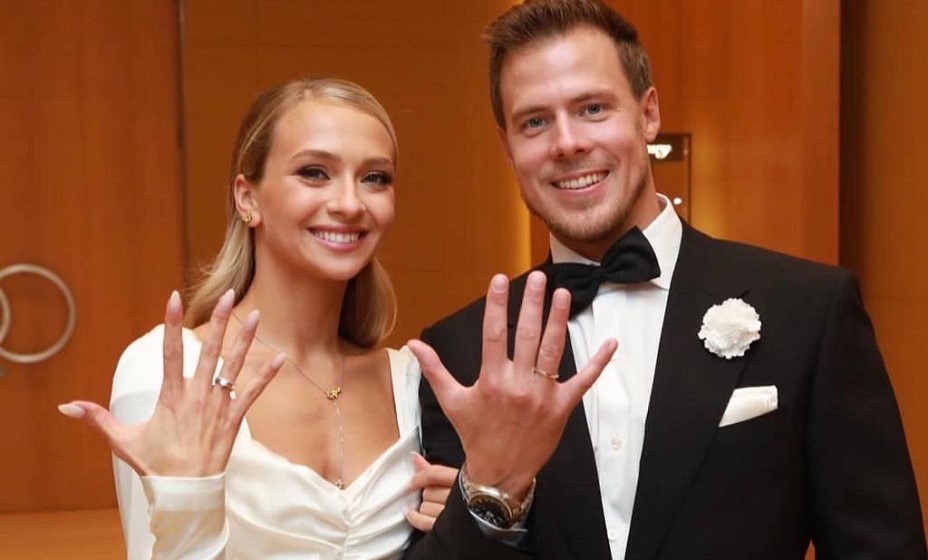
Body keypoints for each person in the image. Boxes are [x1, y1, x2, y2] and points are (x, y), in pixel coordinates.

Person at [405, 1, 927, 558]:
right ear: (508, 148)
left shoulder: (807, 312)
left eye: (592, 108)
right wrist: (490, 492)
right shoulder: (459, 356)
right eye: (535, 122)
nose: (566, 142)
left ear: (648, 113)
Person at [57, 78, 457, 559]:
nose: (350, 204)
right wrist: (187, 503)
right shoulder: (171, 373)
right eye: (314, 173)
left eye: (375, 178)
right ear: (247, 198)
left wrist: (469, 515)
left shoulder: (410, 381)